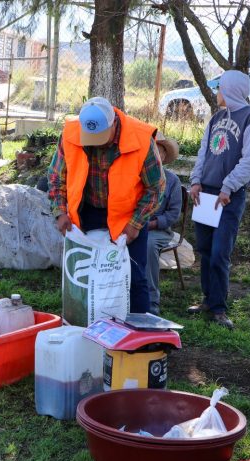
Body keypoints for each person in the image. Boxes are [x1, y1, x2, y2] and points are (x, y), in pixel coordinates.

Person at [48, 97, 166, 314]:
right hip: (86, 212)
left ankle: (137, 334)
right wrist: (60, 211)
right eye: (91, 137)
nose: (96, 142)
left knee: (135, 275)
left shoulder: (140, 140)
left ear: (113, 124)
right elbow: (56, 178)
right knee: (85, 275)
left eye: (101, 136)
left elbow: (155, 189)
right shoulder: (71, 133)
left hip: (128, 214)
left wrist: (135, 224)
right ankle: (86, 328)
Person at [187, 70, 250, 330]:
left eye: (220, 88)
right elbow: (203, 153)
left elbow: (249, 161)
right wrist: (195, 181)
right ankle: (208, 299)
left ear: (230, 89)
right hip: (206, 192)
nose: (217, 93)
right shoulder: (216, 117)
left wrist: (229, 187)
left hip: (228, 196)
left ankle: (220, 308)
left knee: (221, 251)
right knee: (206, 249)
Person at [145, 137, 182, 315]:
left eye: (159, 151)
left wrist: (153, 224)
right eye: (151, 151)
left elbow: (173, 214)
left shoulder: (172, 180)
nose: (155, 155)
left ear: (164, 155)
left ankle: (152, 303)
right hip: (134, 225)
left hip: (159, 230)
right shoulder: (137, 176)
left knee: (148, 245)